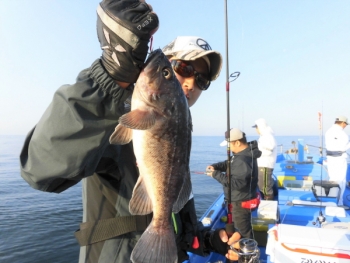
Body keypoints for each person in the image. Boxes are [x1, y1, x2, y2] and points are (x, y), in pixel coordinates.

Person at [19, 1, 242, 262]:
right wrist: (108, 79)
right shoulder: (111, 115)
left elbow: (173, 214)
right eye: (182, 69)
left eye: (202, 80)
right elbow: (39, 170)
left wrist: (207, 240)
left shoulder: (181, 133)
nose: (192, 82)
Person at [206, 128, 262, 239]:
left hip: (240, 203)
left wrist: (215, 174)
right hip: (240, 199)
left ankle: (247, 254)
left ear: (237, 142)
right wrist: (216, 166)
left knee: (242, 233)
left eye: (229, 144)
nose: (228, 148)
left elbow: (237, 184)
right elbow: (229, 163)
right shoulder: (241, 155)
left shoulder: (242, 160)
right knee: (242, 229)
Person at [325, 115, 350, 206]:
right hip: (339, 159)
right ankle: (339, 203)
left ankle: (331, 202)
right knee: (341, 181)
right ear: (343, 123)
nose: (345, 126)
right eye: (346, 124)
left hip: (330, 159)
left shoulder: (328, 131)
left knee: (332, 179)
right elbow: (344, 146)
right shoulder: (342, 133)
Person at [252, 118, 277, 200]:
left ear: (260, 127)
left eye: (256, 127)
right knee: (262, 186)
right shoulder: (264, 136)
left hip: (266, 165)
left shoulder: (267, 136)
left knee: (266, 189)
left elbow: (269, 150)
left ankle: (268, 206)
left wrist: (256, 153)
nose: (256, 129)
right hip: (262, 164)